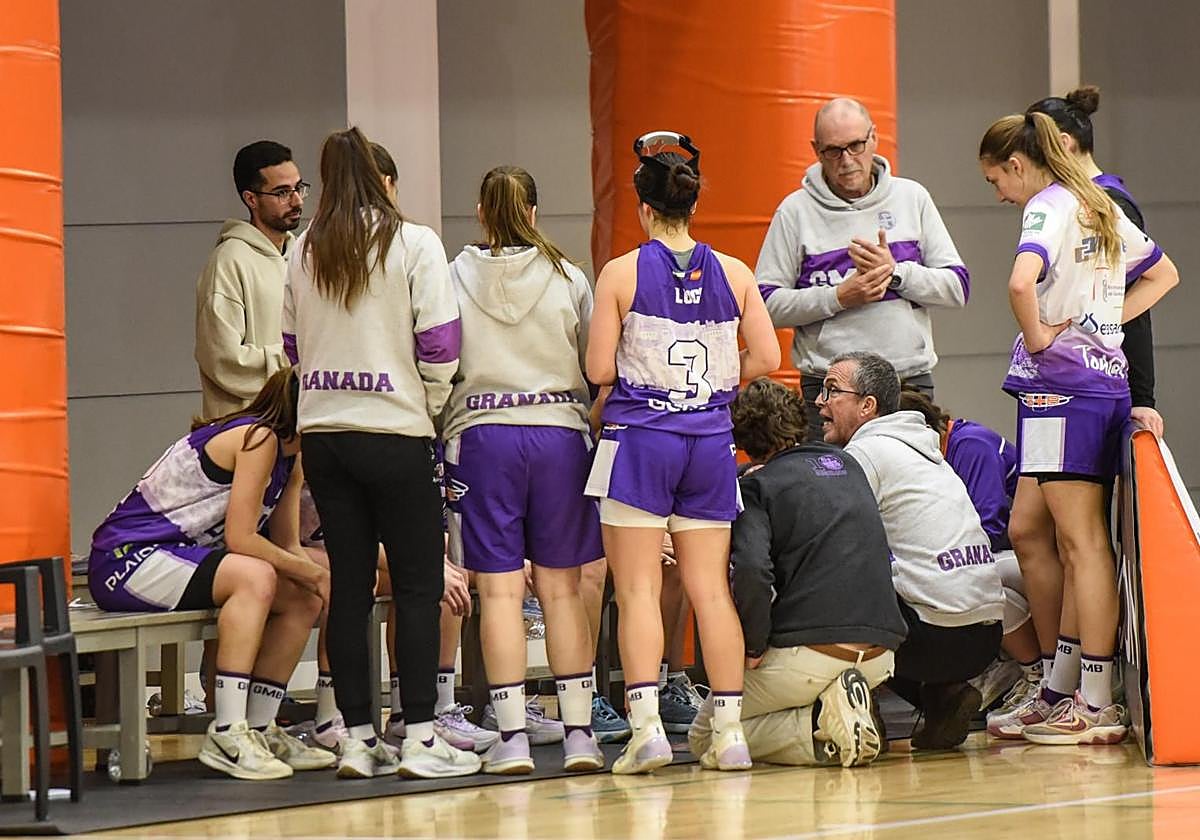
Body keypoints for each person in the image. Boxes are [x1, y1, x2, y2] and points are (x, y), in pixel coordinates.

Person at [282, 126, 479, 779]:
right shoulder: (412, 241)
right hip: (394, 431)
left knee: (351, 588)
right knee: (420, 587)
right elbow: (442, 341)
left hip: (325, 437)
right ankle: (421, 735)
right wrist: (426, 401)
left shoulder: (303, 247)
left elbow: (290, 348)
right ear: (378, 174)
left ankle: (360, 740)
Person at [977, 111, 1179, 745]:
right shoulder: (1098, 201)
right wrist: (1105, 321)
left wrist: (1041, 337)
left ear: (1018, 164)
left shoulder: (1050, 205)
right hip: (1099, 382)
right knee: (1069, 540)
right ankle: (1066, 688)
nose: (997, 195)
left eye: (994, 180)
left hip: (1061, 390)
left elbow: (1018, 283)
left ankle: (1095, 699)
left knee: (1083, 543)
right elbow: (1165, 273)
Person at [585, 131, 780, 774]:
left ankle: (646, 732)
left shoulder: (620, 272)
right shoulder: (735, 271)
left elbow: (596, 366)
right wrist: (722, 380)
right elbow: (770, 359)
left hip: (641, 439)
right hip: (709, 441)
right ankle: (729, 736)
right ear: (693, 205)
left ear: (643, 208)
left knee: (638, 589)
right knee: (709, 590)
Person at [88, 368, 335, 780]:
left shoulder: (291, 458)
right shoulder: (259, 438)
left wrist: (318, 576)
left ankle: (259, 727)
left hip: (177, 557)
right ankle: (226, 731)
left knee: (302, 597)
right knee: (255, 576)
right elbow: (241, 538)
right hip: (127, 558)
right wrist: (312, 572)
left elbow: (289, 546)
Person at [441, 164, 604, 774]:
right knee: (561, 590)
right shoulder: (568, 275)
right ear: (533, 213)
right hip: (560, 435)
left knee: (501, 593)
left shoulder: (452, 275)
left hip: (483, 436)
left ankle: (510, 737)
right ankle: (579, 733)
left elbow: (438, 354)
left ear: (481, 213)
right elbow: (595, 362)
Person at [688, 377, 907, 768]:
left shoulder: (758, 487)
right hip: (882, 654)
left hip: (809, 655)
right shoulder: (850, 465)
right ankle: (842, 705)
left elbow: (753, 573)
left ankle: (817, 727)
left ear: (741, 442)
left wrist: (754, 647)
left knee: (706, 737)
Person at [817, 351, 1005, 750]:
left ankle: (861, 711)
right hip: (986, 640)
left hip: (932, 636)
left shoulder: (865, 454)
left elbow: (829, 546)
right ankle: (944, 697)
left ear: (867, 406)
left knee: (825, 579)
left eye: (832, 391)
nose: (819, 401)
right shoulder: (929, 451)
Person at [755, 98, 969, 434]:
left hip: (907, 381)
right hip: (830, 388)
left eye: (856, 145)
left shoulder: (912, 198)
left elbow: (956, 288)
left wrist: (895, 272)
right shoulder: (795, 212)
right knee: (834, 485)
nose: (847, 160)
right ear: (816, 150)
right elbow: (765, 306)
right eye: (833, 151)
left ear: (874, 138)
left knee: (907, 485)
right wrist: (838, 297)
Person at [898, 390, 1043, 723]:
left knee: (971, 579)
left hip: (1030, 559)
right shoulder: (945, 452)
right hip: (1014, 555)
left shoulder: (970, 444)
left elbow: (989, 526)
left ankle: (1035, 676)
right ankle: (1007, 669)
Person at [1027, 86, 1162, 438]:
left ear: (1064, 143)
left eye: (1034, 151)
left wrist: (1142, 397)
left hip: (1106, 382)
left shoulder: (1107, 203)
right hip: (1075, 375)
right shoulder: (1064, 203)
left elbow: (1142, 288)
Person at [196, 140, 306, 419]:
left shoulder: (303, 257)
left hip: (299, 428)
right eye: (282, 193)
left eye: (298, 188)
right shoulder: (229, 262)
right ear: (251, 199)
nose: (297, 201)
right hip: (246, 435)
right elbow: (222, 360)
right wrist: (295, 359)